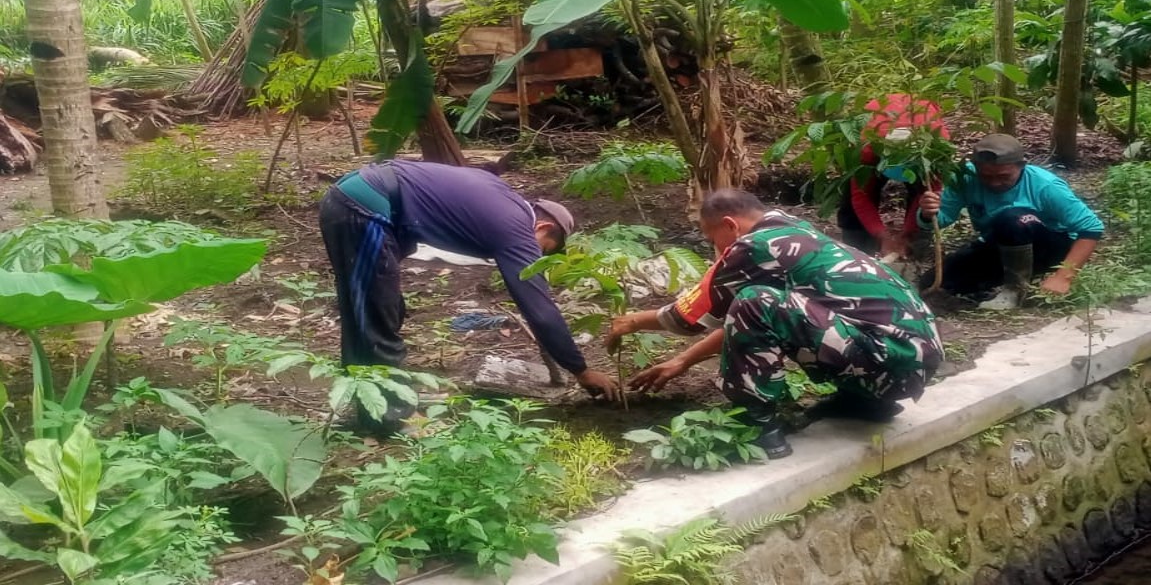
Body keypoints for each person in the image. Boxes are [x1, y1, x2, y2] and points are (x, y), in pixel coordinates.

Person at [606, 189, 944, 459]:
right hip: (912, 361)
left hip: (881, 357)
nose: (716, 248)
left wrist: (634, 320)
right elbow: (759, 322)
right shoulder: (798, 233)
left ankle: (758, 428)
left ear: (730, 225)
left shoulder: (753, 246)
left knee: (756, 298)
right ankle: (867, 401)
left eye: (712, 239)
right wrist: (682, 361)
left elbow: (689, 319)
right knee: (763, 303)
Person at [319, 159, 619, 426]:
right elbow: (539, 309)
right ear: (543, 227)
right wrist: (581, 370)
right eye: (545, 250)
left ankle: (367, 401)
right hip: (364, 207)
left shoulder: (503, 197)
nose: (537, 257)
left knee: (376, 309)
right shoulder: (516, 228)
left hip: (358, 199)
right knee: (374, 315)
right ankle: (384, 422)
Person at [918, 133, 1104, 310]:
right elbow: (942, 219)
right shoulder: (965, 178)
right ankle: (998, 281)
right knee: (933, 282)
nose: (995, 183)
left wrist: (1064, 276)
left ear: (1021, 166)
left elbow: (1091, 228)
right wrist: (928, 213)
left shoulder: (1045, 185)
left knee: (1012, 218)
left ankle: (1015, 290)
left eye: (1003, 176)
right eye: (986, 177)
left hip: (1050, 245)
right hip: (1001, 243)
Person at [837, 94, 950, 257]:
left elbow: (928, 194)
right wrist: (882, 236)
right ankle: (858, 253)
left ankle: (916, 248)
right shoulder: (866, 147)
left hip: (922, 138)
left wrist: (908, 232)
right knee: (853, 204)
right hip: (877, 125)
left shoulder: (937, 150)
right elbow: (860, 196)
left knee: (928, 204)